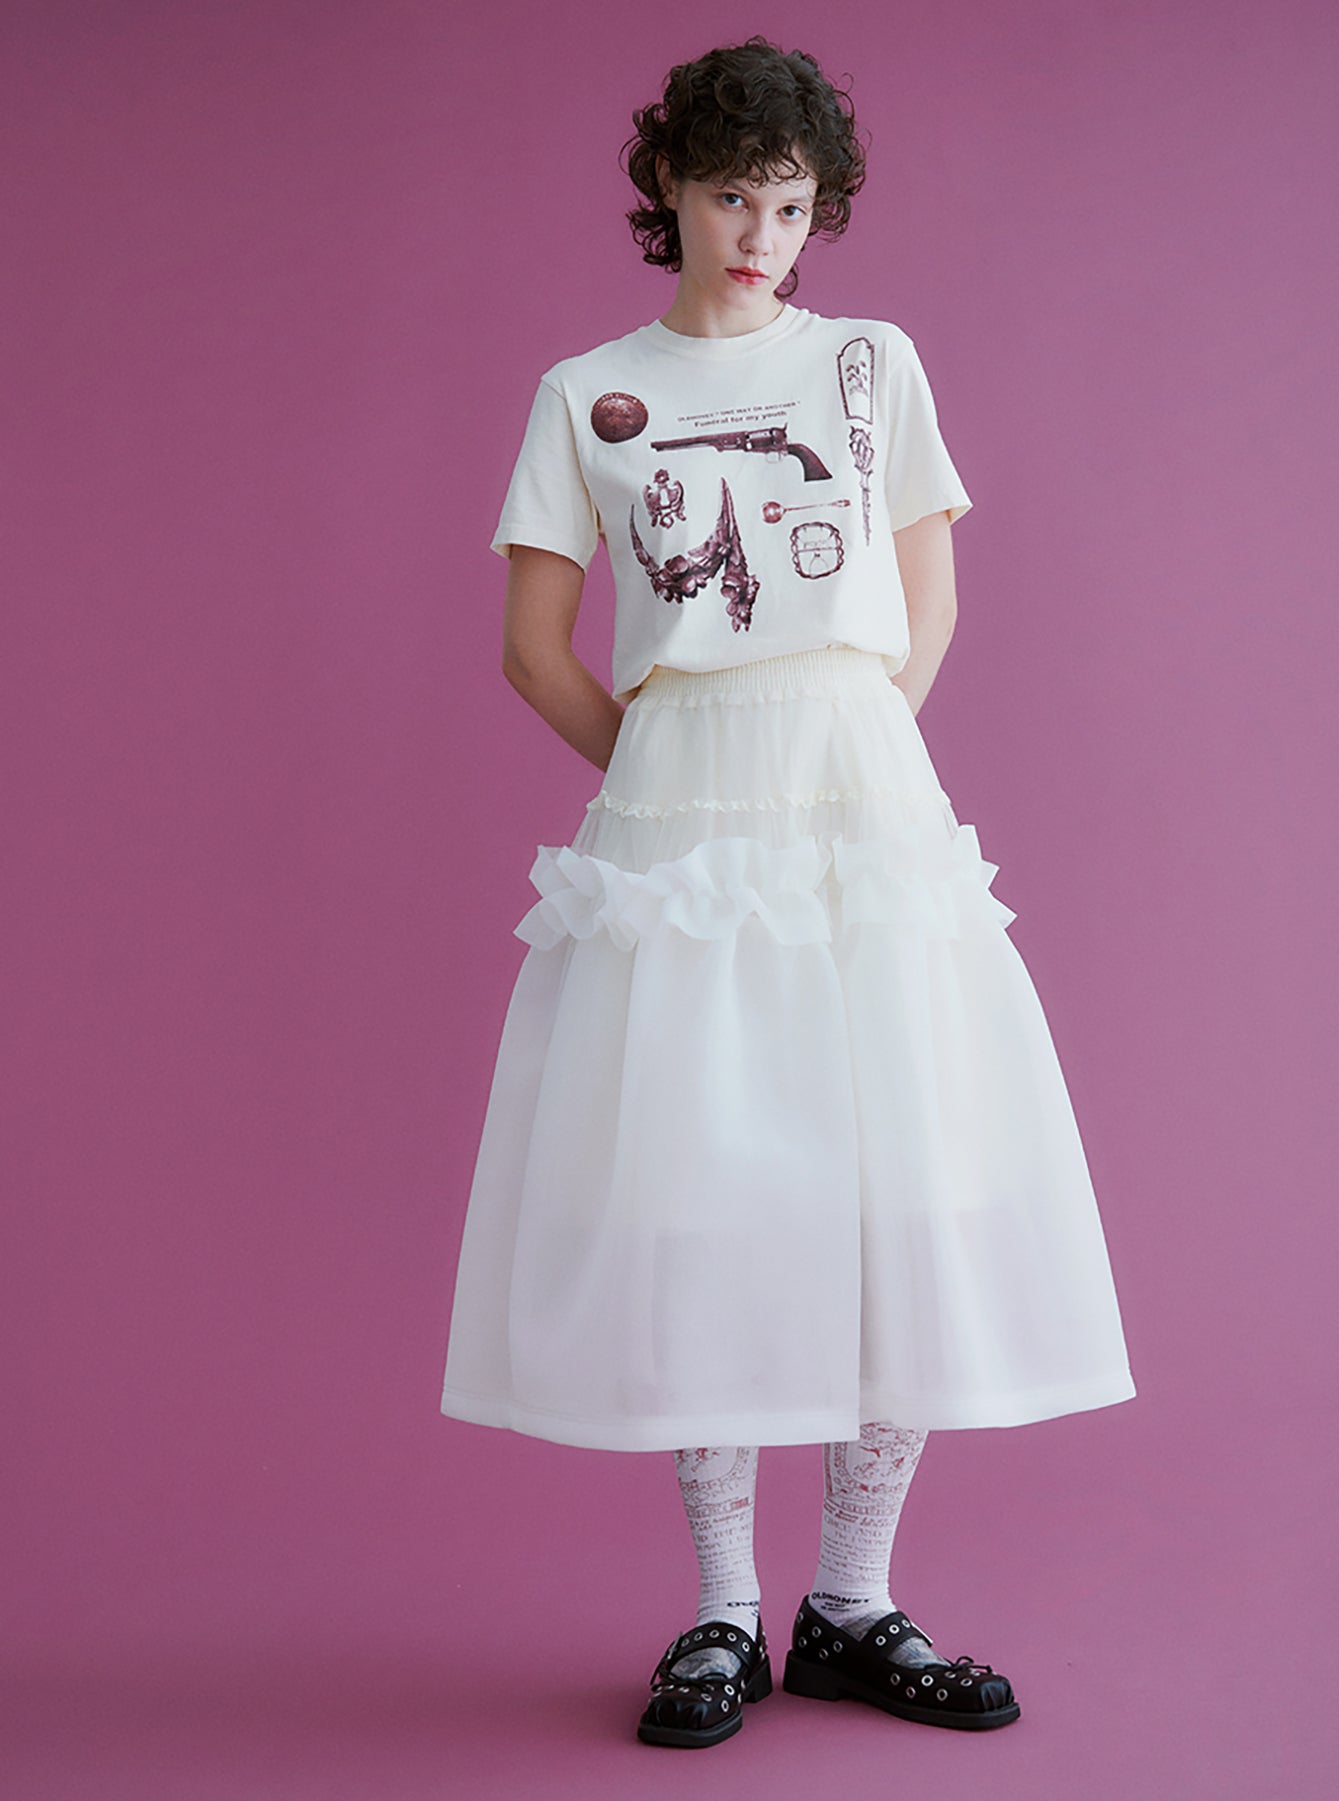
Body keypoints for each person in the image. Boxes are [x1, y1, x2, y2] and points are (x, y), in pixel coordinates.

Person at [441, 35, 1135, 1749]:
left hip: (861, 797)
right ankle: (723, 1610)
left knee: (901, 1175)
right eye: (732, 195)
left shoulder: (869, 364)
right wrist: (672, 771)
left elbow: (928, 600)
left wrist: (848, 758)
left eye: (792, 203)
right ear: (668, 189)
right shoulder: (585, 391)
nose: (762, 234)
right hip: (680, 809)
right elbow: (534, 647)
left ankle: (853, 1599)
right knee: (703, 1185)